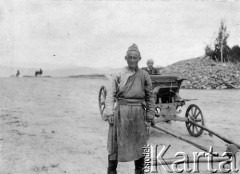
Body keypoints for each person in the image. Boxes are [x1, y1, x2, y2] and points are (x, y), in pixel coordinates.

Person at [103, 43, 155, 174]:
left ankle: (140, 171)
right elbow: (110, 94)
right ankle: (111, 171)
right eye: (130, 57)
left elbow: (150, 97)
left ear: (139, 59)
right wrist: (109, 113)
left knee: (140, 146)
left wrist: (149, 116)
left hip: (138, 114)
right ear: (125, 58)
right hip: (120, 113)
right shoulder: (119, 74)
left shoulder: (144, 75)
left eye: (135, 58)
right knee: (115, 145)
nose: (132, 60)